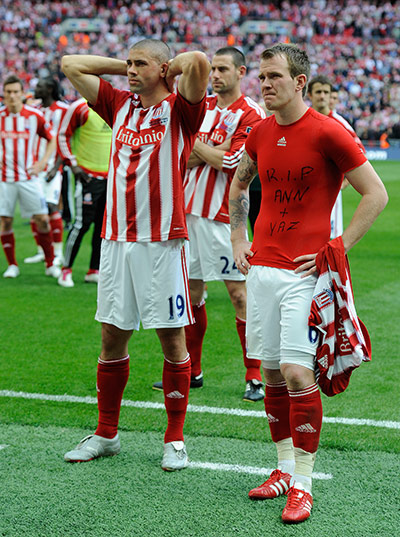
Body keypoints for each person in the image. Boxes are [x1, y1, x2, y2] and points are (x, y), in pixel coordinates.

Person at [229, 43, 387, 523]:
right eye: (261, 77)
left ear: (299, 82)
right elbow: (238, 188)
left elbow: (374, 194)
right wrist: (238, 238)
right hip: (263, 271)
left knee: (299, 374)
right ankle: (280, 468)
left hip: (307, 275)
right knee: (272, 373)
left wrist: (334, 250)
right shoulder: (258, 132)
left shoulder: (327, 132)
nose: (264, 84)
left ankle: (304, 483)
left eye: (273, 76)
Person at [61, 40, 210, 470]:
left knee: (171, 337)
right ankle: (107, 434)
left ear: (163, 69)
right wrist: (127, 66)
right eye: (127, 64)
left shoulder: (183, 108)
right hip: (115, 241)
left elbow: (197, 61)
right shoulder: (118, 104)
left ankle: (175, 438)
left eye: (138, 64)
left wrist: (166, 72)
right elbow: (71, 63)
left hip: (162, 241)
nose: (129, 71)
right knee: (112, 336)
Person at [153, 47, 266, 402]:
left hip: (222, 219)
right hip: (187, 215)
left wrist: (200, 148)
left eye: (222, 69)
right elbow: (178, 158)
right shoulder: (201, 107)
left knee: (239, 295)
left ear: (241, 72)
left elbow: (235, 162)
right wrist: (207, 151)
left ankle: (253, 376)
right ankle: (194, 370)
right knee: (192, 295)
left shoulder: (251, 113)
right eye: (212, 69)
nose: (214, 75)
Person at [0, 75, 61, 279]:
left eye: (16, 92)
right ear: (4, 94)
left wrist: (43, 161)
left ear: (21, 93)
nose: (12, 96)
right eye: (8, 92)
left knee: (43, 219)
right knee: (5, 221)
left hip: (29, 177)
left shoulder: (34, 116)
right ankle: (12, 265)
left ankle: (50, 264)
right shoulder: (0, 116)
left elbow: (52, 139)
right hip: (4, 179)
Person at [56, 97, 112, 287]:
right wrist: (72, 164)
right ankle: (66, 269)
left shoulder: (117, 105)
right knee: (81, 224)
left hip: (111, 178)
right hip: (87, 177)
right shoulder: (79, 107)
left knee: (103, 228)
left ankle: (93, 270)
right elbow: (62, 135)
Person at [308, 75, 366, 238]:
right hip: (303, 189)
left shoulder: (339, 122)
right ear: (310, 95)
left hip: (328, 193)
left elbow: (360, 153)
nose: (322, 96)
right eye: (318, 92)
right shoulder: (303, 118)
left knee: (327, 240)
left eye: (325, 92)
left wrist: (344, 183)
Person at [24, 77, 69, 266]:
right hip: (35, 168)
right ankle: (42, 251)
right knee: (36, 210)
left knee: (51, 207)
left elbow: (67, 138)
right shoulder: (36, 111)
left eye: (40, 86)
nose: (36, 89)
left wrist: (58, 164)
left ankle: (57, 252)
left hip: (53, 167)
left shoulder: (64, 110)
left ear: (49, 89)